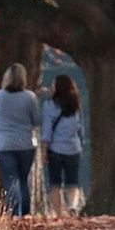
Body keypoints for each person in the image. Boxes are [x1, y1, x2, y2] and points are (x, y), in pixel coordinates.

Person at [0, 62, 41, 217]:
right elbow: (37, 120)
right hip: (25, 144)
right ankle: (25, 214)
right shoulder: (29, 97)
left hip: (3, 144)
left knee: (11, 180)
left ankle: (14, 212)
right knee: (23, 180)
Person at [42, 73, 85, 217]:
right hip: (73, 148)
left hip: (55, 149)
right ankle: (72, 206)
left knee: (55, 183)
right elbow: (80, 128)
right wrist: (81, 144)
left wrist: (44, 150)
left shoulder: (49, 105)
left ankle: (59, 214)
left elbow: (47, 130)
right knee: (73, 182)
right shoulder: (76, 104)